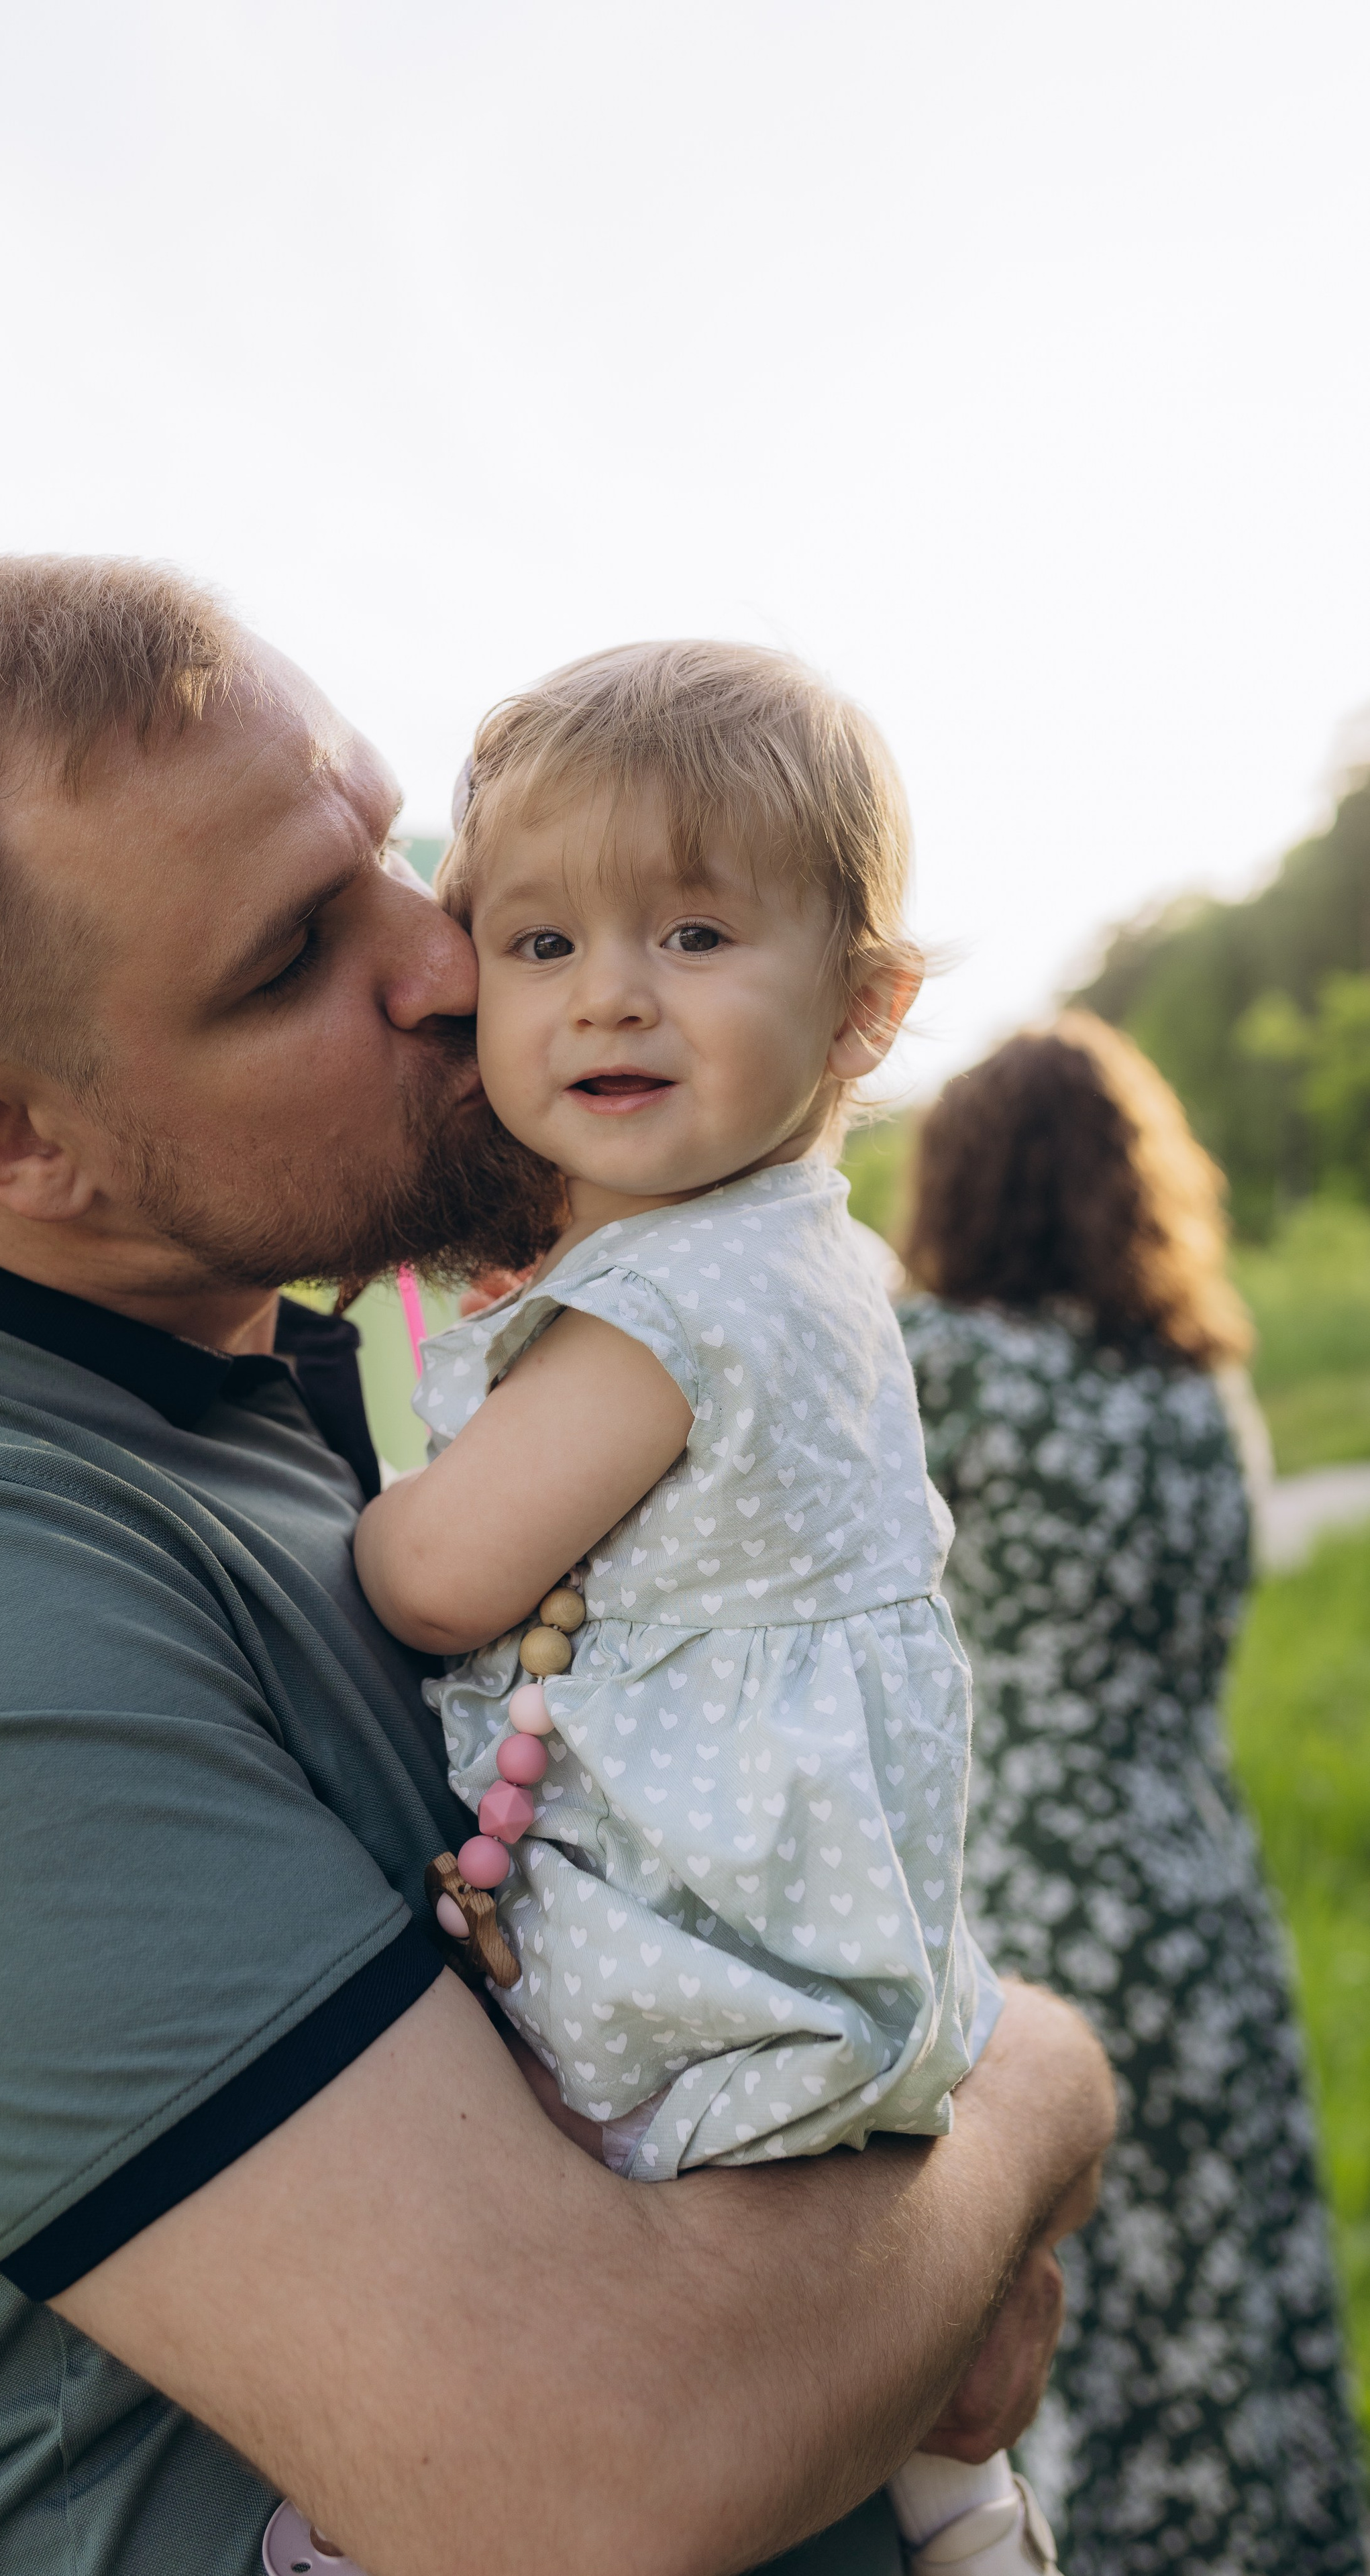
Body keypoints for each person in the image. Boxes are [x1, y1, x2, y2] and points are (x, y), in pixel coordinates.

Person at [0, 557, 1114, 2576]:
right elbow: (603, 2472)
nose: (444, 967)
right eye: (286, 962)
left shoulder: (257, 1375)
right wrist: (1036, 2095)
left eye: (391, 853)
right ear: (7, 1134)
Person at [354, 642, 1071, 2576]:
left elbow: (436, 1577)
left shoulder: (670, 1307)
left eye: (689, 930)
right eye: (538, 943)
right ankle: (963, 2501)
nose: (609, 992)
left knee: (543, 2235)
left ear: (862, 1008)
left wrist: (347, 1520)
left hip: (707, 1954)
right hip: (820, 1930)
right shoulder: (788, 1248)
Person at [898, 1015, 1367, 2576]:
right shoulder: (1198, 1394)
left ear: (966, 1190)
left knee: (1054, 2295)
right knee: (1219, 2282)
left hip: (1032, 1878)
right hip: (1196, 1880)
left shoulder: (954, 1369)